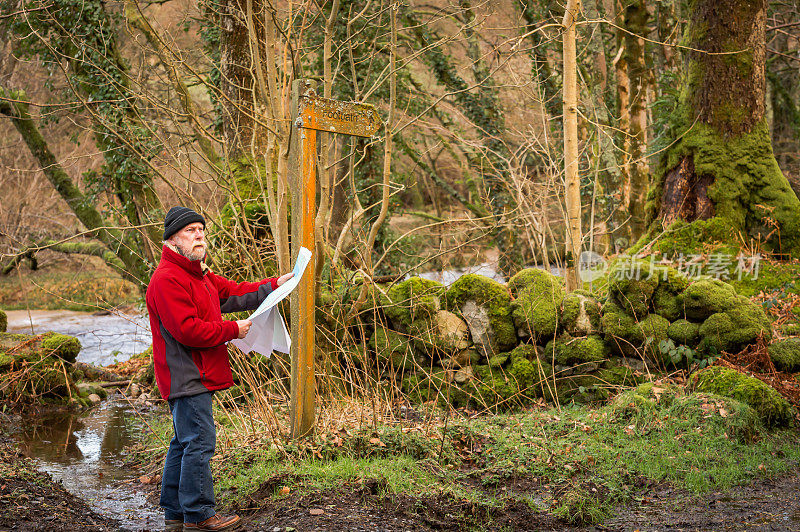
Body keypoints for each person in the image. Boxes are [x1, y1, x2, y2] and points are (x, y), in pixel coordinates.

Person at [146, 206, 293, 531]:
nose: (198, 235)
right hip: (186, 375)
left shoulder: (198, 274)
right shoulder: (167, 279)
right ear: (172, 240)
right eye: (190, 231)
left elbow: (231, 293)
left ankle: (175, 515)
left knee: (183, 442)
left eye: (201, 229)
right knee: (199, 441)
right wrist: (232, 330)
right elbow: (188, 329)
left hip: (193, 374)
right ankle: (198, 517)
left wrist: (273, 285)